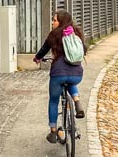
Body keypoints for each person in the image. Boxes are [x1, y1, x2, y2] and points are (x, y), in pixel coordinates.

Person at [33, 10, 86, 143]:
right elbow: (84, 49)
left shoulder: (54, 35)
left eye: (55, 20)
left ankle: (53, 132)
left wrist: (37, 58)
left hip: (58, 74)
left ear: (61, 22)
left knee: (53, 101)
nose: (53, 22)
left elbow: (44, 49)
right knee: (71, 81)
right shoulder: (76, 33)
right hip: (77, 73)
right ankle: (77, 101)